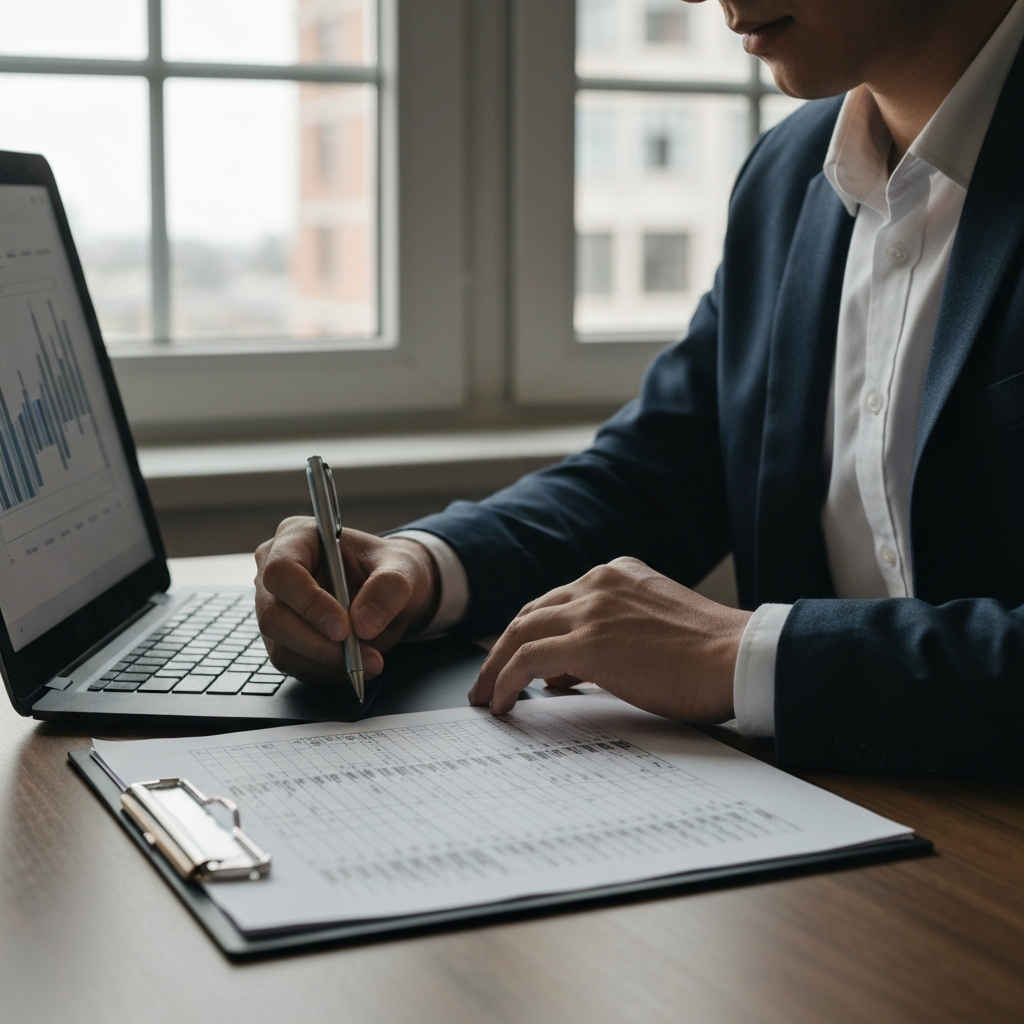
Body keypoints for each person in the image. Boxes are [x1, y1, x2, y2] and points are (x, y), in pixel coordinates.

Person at [255, 0, 1024, 780]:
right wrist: (419, 571)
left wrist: (744, 656)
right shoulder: (788, 176)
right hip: (842, 812)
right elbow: (656, 474)